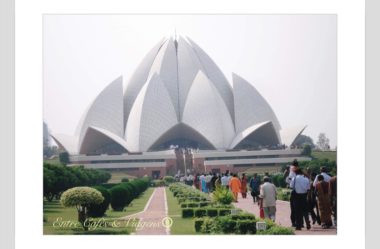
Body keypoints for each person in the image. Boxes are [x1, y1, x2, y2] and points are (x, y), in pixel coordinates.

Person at [287, 159, 299, 227]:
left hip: (294, 191)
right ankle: (300, 223)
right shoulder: (300, 171)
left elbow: (289, 182)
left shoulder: (291, 170)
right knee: (300, 209)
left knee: (293, 209)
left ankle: (293, 223)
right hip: (302, 193)